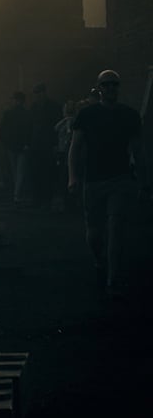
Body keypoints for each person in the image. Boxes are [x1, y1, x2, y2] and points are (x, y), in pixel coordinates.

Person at [68, 69, 148, 298]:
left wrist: (144, 183)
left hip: (120, 179)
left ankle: (113, 277)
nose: (111, 88)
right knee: (94, 233)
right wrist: (72, 176)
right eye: (106, 85)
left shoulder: (129, 116)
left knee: (116, 227)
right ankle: (100, 261)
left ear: (118, 88)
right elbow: (75, 148)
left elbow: (138, 151)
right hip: (93, 180)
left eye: (114, 84)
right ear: (99, 88)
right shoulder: (87, 115)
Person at [28, 83, 63, 207]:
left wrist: (55, 144)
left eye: (38, 93)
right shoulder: (36, 107)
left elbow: (57, 127)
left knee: (47, 172)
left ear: (43, 93)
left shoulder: (52, 107)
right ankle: (39, 198)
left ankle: (45, 198)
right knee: (37, 171)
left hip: (47, 144)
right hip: (38, 144)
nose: (37, 96)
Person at [0, 91, 31, 205]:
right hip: (22, 146)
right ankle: (17, 194)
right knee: (20, 171)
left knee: (14, 170)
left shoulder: (8, 114)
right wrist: (27, 143)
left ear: (17, 100)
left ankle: (16, 193)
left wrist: (5, 143)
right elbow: (29, 130)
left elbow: (1, 130)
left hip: (11, 146)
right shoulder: (26, 114)